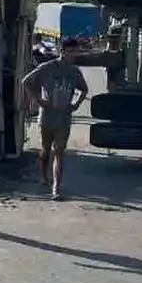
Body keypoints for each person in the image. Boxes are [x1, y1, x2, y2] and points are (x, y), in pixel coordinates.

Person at [21, 36, 89, 200]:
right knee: (45, 150)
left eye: (76, 52)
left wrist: (77, 104)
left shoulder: (74, 72)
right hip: (47, 116)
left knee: (59, 151)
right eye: (70, 52)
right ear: (62, 51)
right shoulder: (47, 68)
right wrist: (38, 100)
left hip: (64, 117)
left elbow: (84, 89)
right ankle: (43, 176)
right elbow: (26, 82)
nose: (73, 55)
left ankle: (56, 187)